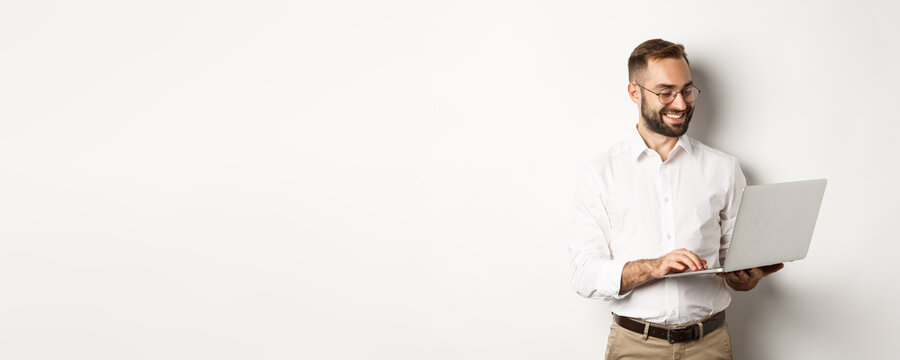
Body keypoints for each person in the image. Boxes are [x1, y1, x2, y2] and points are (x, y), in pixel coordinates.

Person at [569, 39, 784, 360]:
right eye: (665, 92)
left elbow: (732, 258)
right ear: (634, 93)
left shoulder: (723, 168)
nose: (681, 104)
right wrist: (654, 267)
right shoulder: (600, 173)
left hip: (709, 345)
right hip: (634, 347)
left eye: (687, 90)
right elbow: (583, 274)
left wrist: (745, 278)